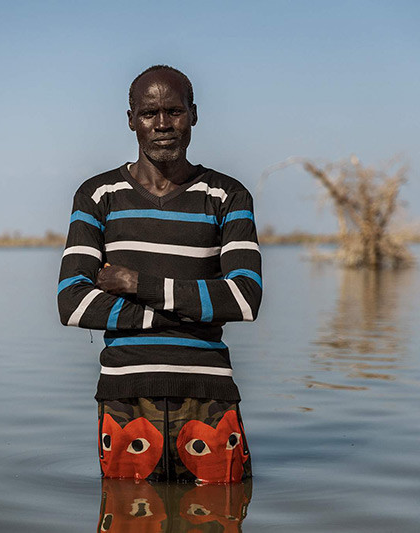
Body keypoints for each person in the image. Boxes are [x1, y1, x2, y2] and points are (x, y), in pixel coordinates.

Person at [57, 65, 262, 483]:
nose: (163, 125)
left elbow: (244, 299)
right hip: (124, 399)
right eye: (150, 113)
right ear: (131, 119)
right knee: (129, 519)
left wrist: (137, 285)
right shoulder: (98, 196)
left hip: (209, 396)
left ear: (194, 114)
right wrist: (190, 310)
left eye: (175, 111)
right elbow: (72, 304)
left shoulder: (228, 195)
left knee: (221, 517)